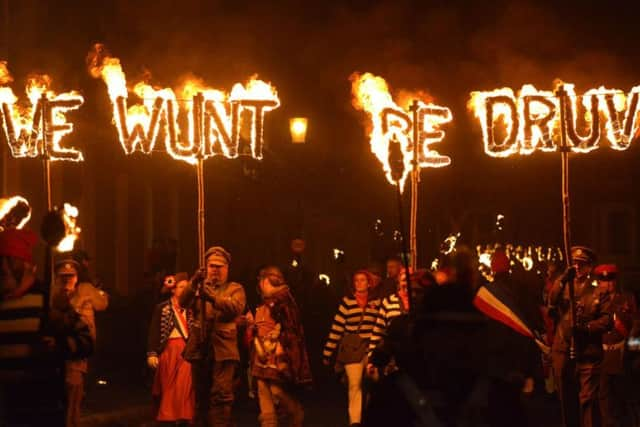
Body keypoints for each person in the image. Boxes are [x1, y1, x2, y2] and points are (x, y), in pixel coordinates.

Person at [0, 229, 93, 426]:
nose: (4, 269)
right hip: (7, 410)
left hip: (42, 410)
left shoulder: (48, 302)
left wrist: (57, 345)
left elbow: (86, 341)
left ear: (25, 265)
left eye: (9, 261)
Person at [180, 246, 246, 427]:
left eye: (220, 266)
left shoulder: (235, 288)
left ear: (227, 268)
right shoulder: (198, 287)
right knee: (201, 395)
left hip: (223, 349)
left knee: (221, 395)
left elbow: (235, 308)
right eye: (212, 266)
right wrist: (193, 283)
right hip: (200, 346)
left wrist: (213, 297)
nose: (215, 270)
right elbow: (182, 302)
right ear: (206, 268)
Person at [548, 246, 612, 427]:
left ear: (590, 266)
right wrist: (562, 280)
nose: (577, 267)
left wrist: (586, 328)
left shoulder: (598, 291)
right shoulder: (563, 286)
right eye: (574, 263)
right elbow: (551, 301)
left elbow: (607, 320)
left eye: (581, 264)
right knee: (565, 399)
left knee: (588, 400)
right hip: (563, 350)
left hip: (588, 353)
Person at [247, 266, 312, 427]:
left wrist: (277, 335)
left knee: (276, 389)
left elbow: (291, 327)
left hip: (278, 352)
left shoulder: (284, 300)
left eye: (264, 281)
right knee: (262, 389)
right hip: (262, 351)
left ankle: (294, 412)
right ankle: (269, 424)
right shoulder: (265, 302)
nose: (262, 284)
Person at [52, 259, 109, 427]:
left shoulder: (85, 291)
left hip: (79, 352)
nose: (67, 279)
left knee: (74, 396)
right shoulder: (53, 296)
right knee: (64, 398)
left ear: (77, 277)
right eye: (63, 276)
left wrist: (97, 291)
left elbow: (103, 304)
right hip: (59, 353)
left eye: (70, 276)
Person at [323, 270, 381, 427]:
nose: (359, 283)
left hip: (371, 348)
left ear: (369, 283)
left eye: (363, 280)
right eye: (357, 280)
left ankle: (368, 417)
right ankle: (355, 422)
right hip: (351, 349)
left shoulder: (376, 302)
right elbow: (337, 327)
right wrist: (328, 352)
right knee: (354, 386)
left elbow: (380, 324)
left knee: (371, 384)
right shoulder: (347, 302)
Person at [147, 272, 195, 426]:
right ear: (173, 289)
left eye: (187, 287)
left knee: (184, 386)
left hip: (187, 352)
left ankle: (183, 416)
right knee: (168, 388)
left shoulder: (192, 308)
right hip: (169, 352)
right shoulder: (163, 308)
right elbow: (154, 331)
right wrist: (152, 353)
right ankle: (169, 418)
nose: (184, 290)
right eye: (181, 287)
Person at [594, 264, 637, 427]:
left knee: (624, 397)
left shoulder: (627, 298)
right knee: (604, 397)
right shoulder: (595, 301)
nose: (608, 284)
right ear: (599, 282)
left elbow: (637, 325)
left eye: (611, 280)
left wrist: (634, 351)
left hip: (622, 354)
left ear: (616, 281)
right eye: (604, 281)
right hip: (602, 355)